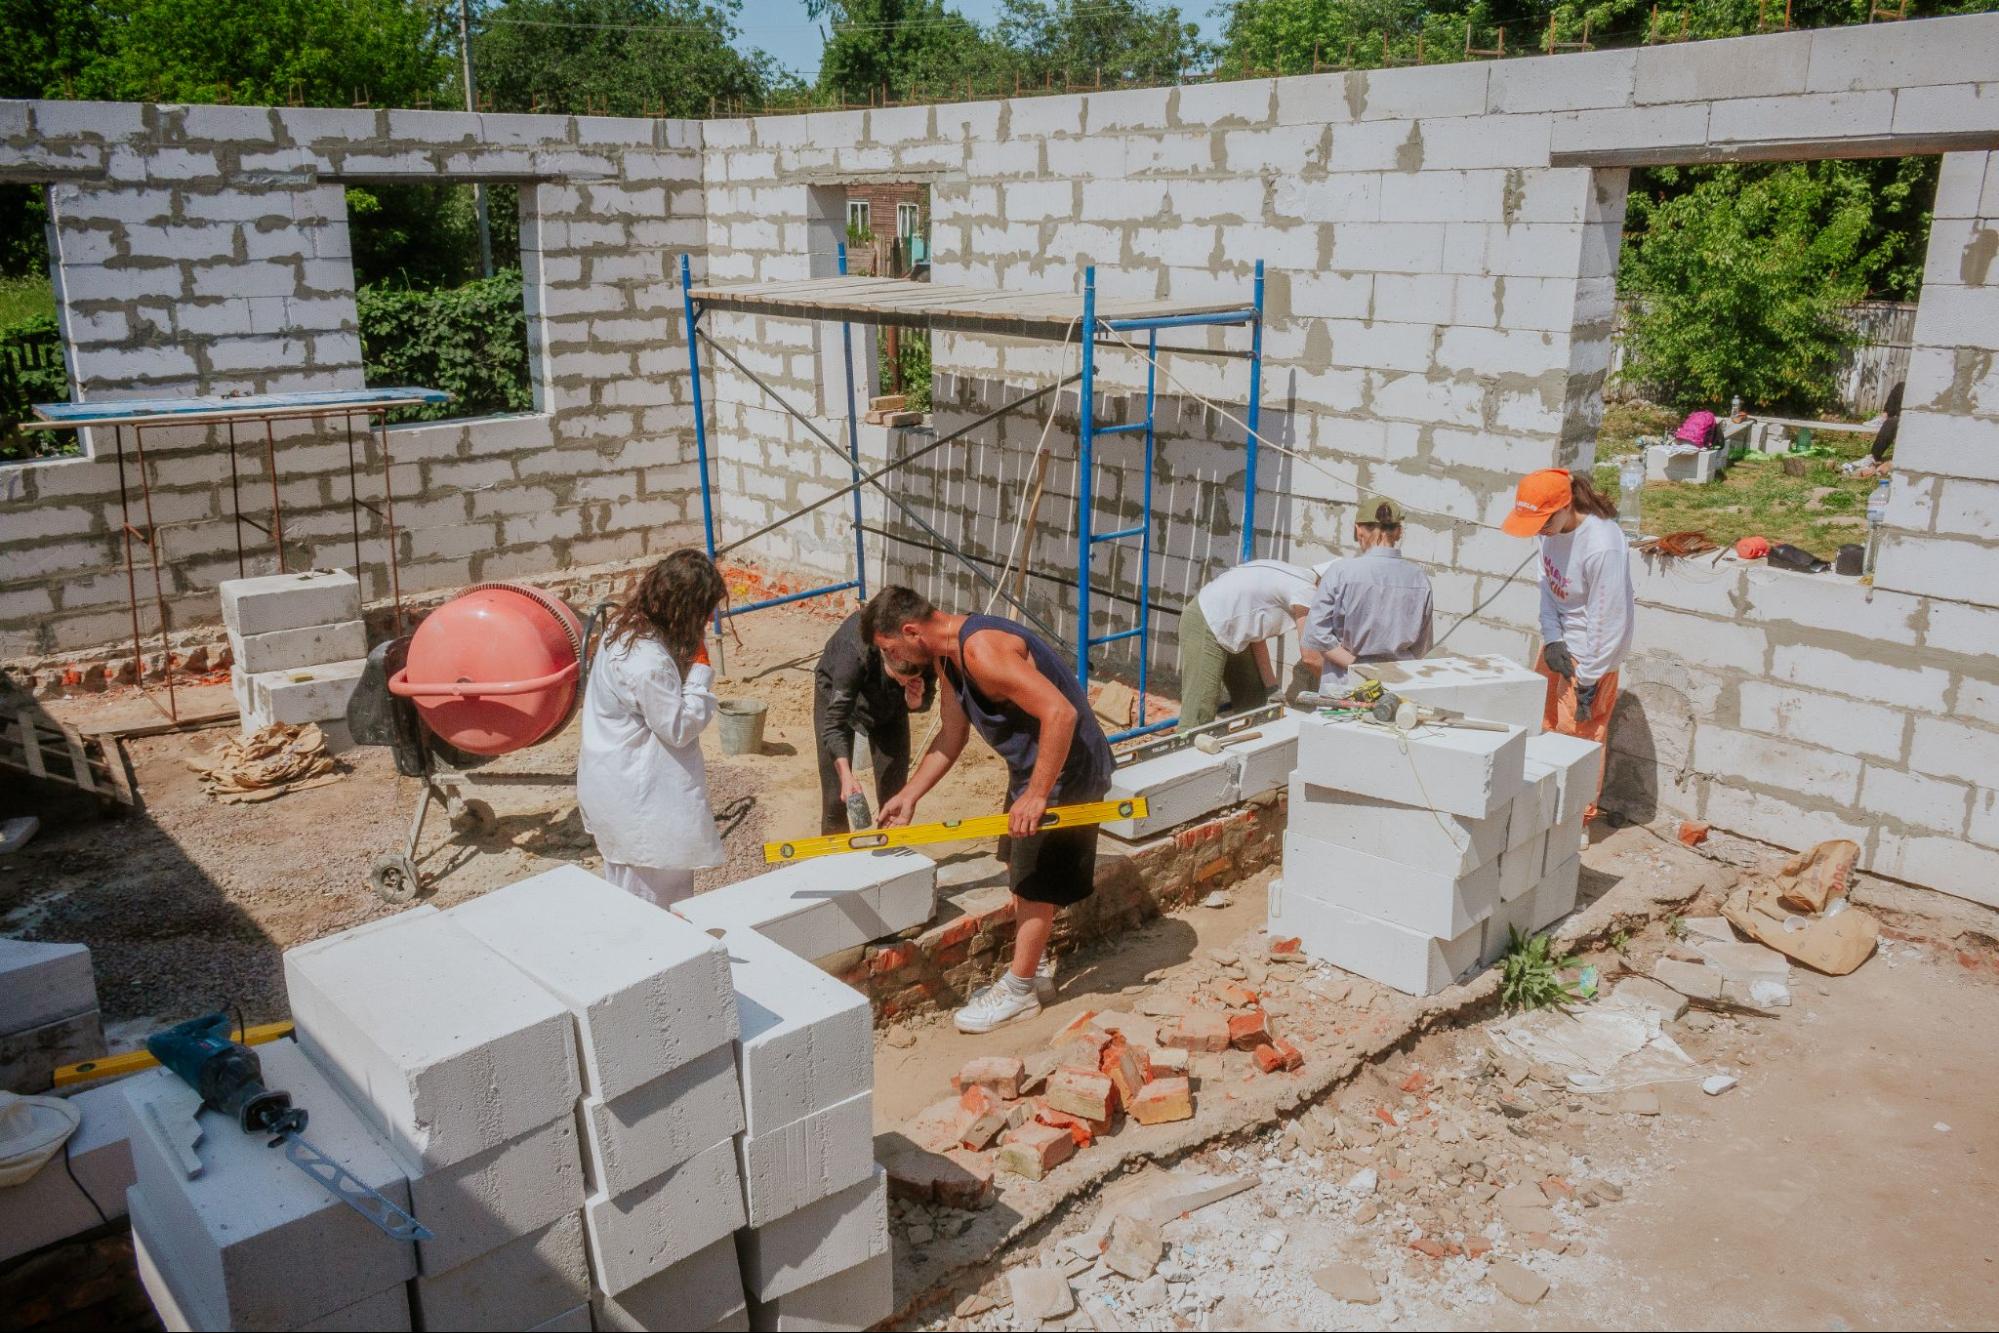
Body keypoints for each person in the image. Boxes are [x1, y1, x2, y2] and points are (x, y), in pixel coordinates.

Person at [860, 586, 1115, 1035]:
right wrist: (911, 794)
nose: (892, 658)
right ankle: (1031, 973)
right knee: (1018, 871)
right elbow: (952, 735)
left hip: (1066, 770)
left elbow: (1060, 714)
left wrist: (1038, 794)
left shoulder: (982, 651)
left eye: (889, 648)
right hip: (1035, 769)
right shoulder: (947, 658)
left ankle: (1018, 992)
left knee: (1036, 883)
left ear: (910, 631)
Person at [576, 550, 728, 907]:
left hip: (619, 788)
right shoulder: (647, 662)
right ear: (684, 607)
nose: (708, 619)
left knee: (626, 898)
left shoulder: (625, 628)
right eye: (704, 610)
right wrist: (701, 671)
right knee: (654, 912)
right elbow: (678, 727)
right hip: (643, 803)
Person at [1502, 468, 1636, 825]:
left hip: (1593, 656)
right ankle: (1539, 816)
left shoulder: (1602, 545)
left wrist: (1589, 679)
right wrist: (1552, 639)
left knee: (1577, 743)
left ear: (1566, 506)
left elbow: (1612, 622)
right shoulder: (1549, 531)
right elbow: (1547, 586)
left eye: (1543, 522)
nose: (1539, 531)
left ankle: (1575, 824)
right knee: (1543, 726)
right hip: (1562, 644)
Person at [814, 610, 934, 834]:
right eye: (898, 677)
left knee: (895, 795)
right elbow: (834, 726)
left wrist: (915, 701)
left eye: (910, 680)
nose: (903, 683)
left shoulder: (925, 650)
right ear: (885, 652)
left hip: (889, 707)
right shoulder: (852, 654)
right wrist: (846, 775)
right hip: (835, 694)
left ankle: (889, 855)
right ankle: (834, 856)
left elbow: (927, 699)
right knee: (836, 796)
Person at [1300, 496, 1435, 693]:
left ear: (1358, 530)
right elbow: (1422, 646)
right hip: (1399, 686)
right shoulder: (1419, 579)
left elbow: (1316, 635)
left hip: (1346, 687)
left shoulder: (1340, 572)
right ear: (1398, 531)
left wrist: (1358, 666)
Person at [1176, 558, 1326, 729]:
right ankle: (1184, 752)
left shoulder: (1299, 579)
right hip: (1205, 621)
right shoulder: (1306, 590)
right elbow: (1311, 658)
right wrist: (1338, 693)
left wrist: (1271, 688)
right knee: (1199, 713)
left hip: (1233, 629)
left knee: (1257, 705)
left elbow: (1255, 635)